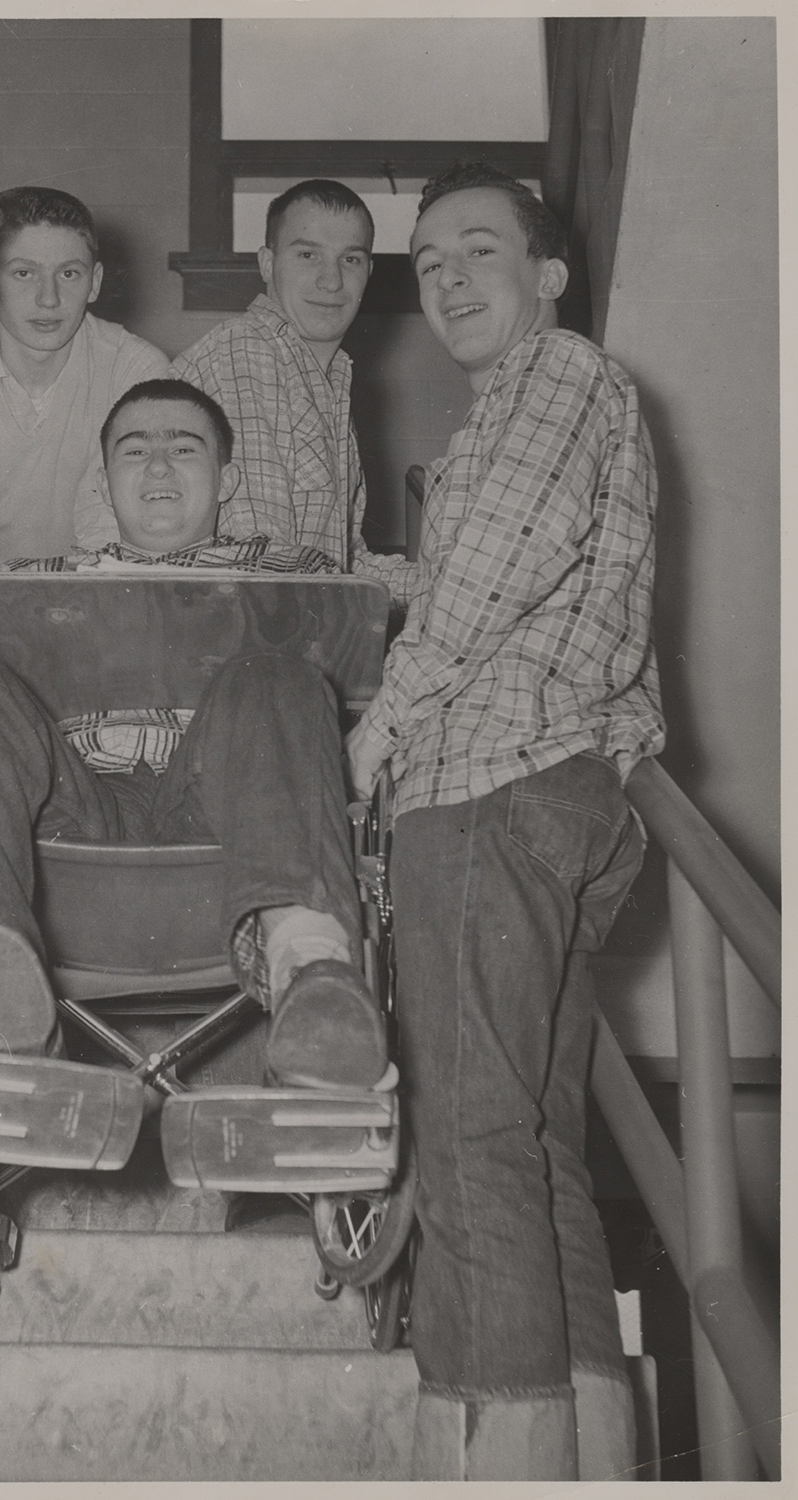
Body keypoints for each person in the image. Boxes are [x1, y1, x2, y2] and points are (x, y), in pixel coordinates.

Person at [344, 163, 666, 1481]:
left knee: (474, 1137)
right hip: (567, 795)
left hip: (487, 788)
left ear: (548, 276)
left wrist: (375, 729)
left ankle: (496, 1455)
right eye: (427, 263)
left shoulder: (557, 377)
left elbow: (489, 573)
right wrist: (399, 579)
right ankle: (592, 1450)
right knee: (536, 1141)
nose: (449, 279)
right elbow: (517, 569)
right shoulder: (549, 406)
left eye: (480, 249)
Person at [0, 379, 389, 1092]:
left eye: (183, 449)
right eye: (134, 450)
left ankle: (311, 969)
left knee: (278, 674)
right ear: (104, 478)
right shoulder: (29, 586)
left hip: (226, 823)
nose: (157, 467)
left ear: (226, 480)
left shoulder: (297, 576)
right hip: (68, 822)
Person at [0, 185, 169, 569]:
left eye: (68, 273)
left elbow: (114, 530)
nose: (49, 298)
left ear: (94, 282)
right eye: (24, 272)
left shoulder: (135, 370)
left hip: (95, 592)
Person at [170, 178, 387, 575]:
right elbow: (262, 563)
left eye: (350, 259)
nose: (332, 281)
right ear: (267, 264)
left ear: (369, 271)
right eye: (308, 255)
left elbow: (347, 561)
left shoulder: (330, 376)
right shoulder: (246, 353)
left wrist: (440, 586)